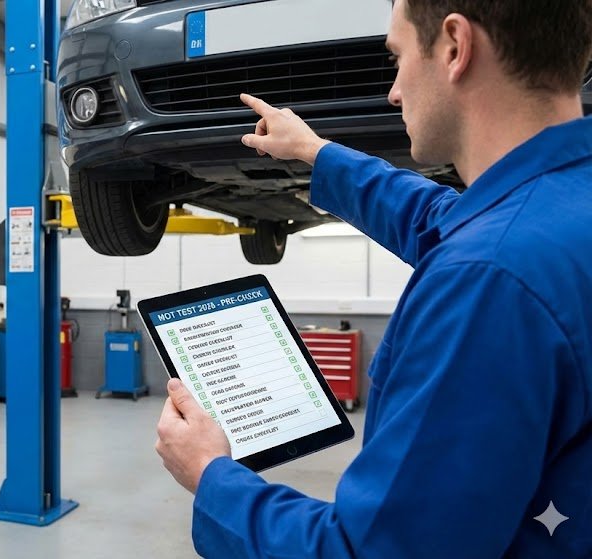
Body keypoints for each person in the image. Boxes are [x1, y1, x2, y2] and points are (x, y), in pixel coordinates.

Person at [154, 0, 592, 557]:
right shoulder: (562, 202)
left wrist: (211, 475)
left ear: (455, 48)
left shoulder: (488, 283)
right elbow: (441, 220)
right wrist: (315, 152)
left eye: (398, 56)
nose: (393, 91)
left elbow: (371, 550)